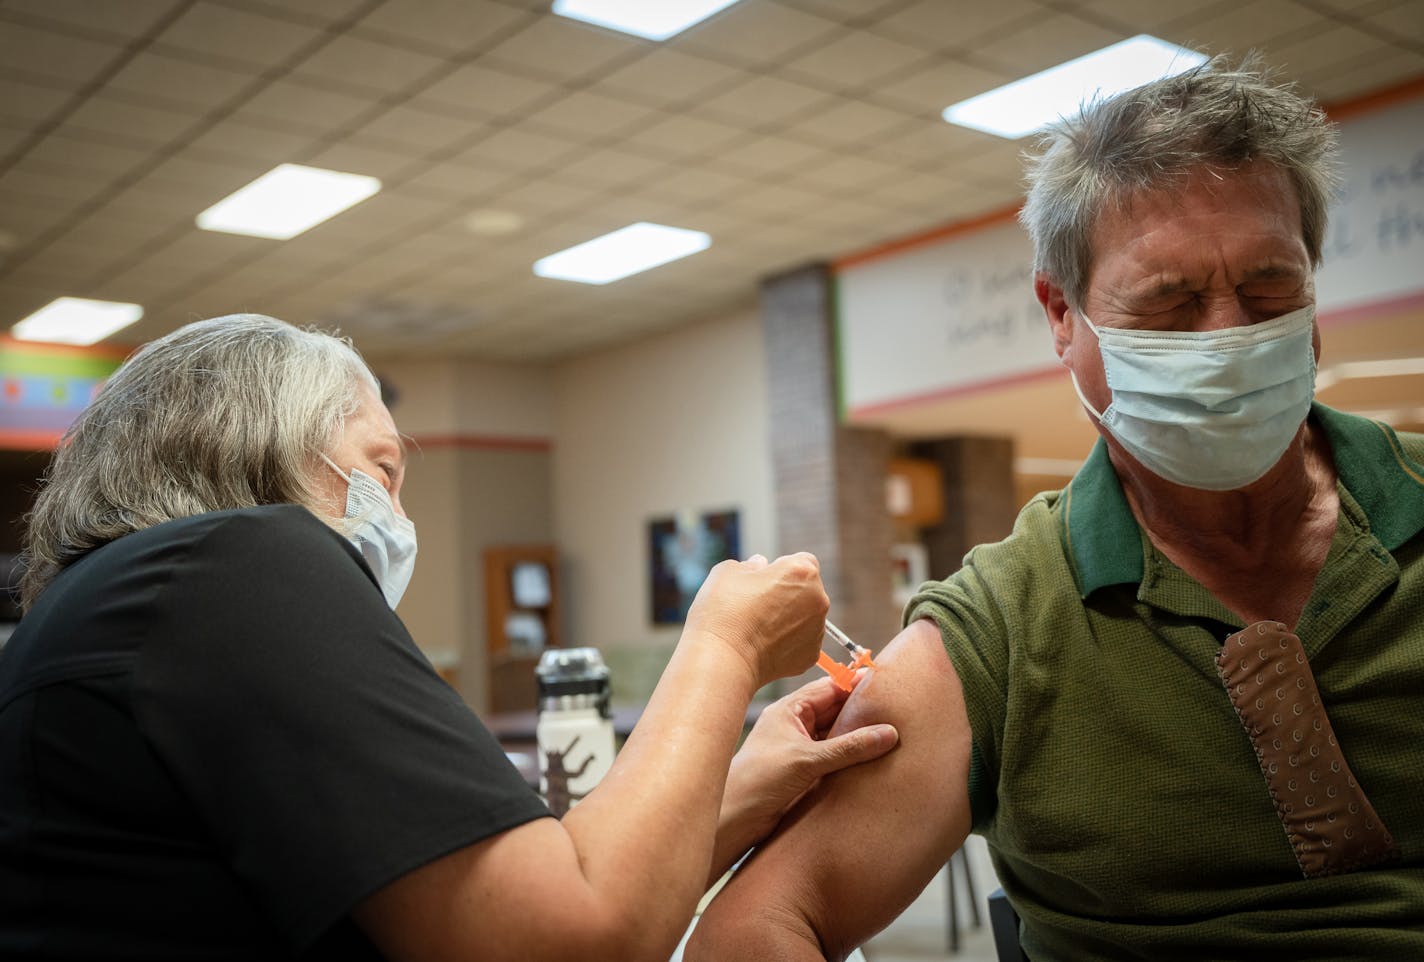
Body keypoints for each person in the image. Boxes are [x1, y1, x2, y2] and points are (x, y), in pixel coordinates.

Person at [688, 55, 1424, 961]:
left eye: (1270, 286)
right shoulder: (1001, 628)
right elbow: (752, 928)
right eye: (1171, 301)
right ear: (1062, 314)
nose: (1228, 336)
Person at [0, 313, 900, 961]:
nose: (397, 515)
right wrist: (726, 645)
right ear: (256, 448)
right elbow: (575, 941)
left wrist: (732, 792)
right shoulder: (237, 561)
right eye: (379, 470)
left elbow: (486, 892)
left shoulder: (111, 609)